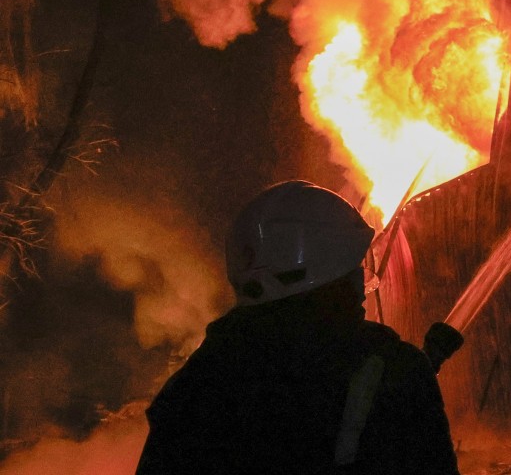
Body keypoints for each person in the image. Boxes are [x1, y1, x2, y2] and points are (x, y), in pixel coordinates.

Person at [136, 180, 460, 474]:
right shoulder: (392, 371)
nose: (362, 282)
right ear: (330, 278)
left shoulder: (195, 383)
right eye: (353, 268)